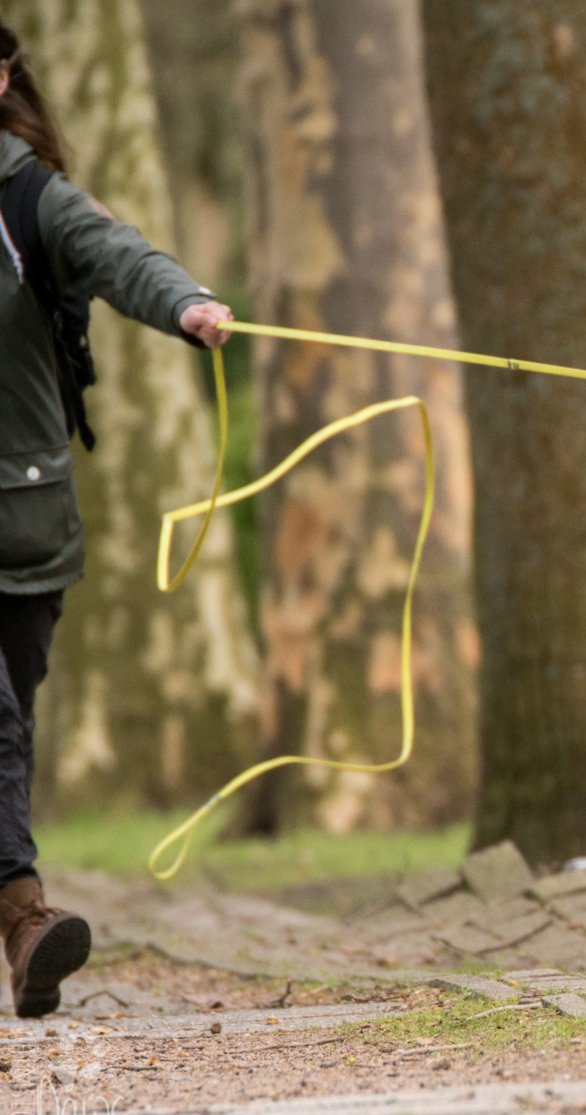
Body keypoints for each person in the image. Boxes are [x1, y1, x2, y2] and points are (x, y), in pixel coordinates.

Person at [0, 23, 232, 1018]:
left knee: (9, 722)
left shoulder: (28, 197)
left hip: (21, 519)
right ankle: (25, 917)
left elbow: (119, 252)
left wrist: (187, 305)